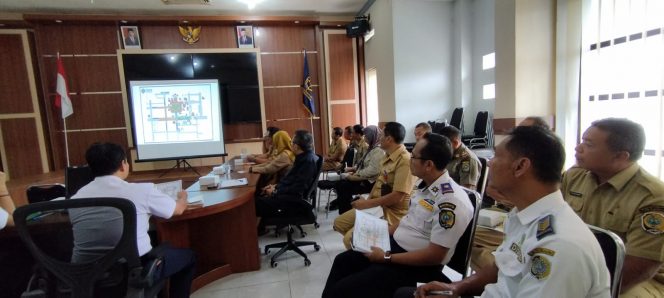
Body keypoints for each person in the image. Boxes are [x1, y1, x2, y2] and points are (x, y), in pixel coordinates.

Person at [411, 126, 610, 298]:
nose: (489, 162)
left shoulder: (560, 245)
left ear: (520, 166)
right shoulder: (522, 215)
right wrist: (456, 288)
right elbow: (502, 265)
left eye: (497, 156)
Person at [322, 133, 473, 298]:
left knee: (345, 290)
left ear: (428, 165)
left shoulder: (451, 202)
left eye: (414, 156)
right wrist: (371, 234)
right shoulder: (425, 188)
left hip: (415, 265)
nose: (410, 159)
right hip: (394, 247)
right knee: (343, 261)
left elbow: (435, 256)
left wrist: (386, 257)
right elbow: (407, 223)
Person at [69, 143, 195, 297]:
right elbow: (178, 209)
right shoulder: (141, 190)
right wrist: (183, 197)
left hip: (87, 276)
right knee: (188, 257)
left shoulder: (75, 199)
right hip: (133, 271)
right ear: (123, 165)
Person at [562, 118, 664, 297]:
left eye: (589, 144)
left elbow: (642, 265)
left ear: (620, 156)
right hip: (583, 263)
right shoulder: (574, 176)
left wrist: (592, 291)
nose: (578, 148)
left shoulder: (652, 196)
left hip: (637, 278)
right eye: (582, 140)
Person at [470, 116, 551, 270]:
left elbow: (532, 203)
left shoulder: (544, 165)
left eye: (523, 133)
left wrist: (508, 197)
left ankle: (500, 276)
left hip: (522, 216)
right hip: (505, 212)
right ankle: (497, 275)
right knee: (465, 234)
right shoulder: (513, 158)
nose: (490, 162)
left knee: (469, 238)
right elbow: (492, 191)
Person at [333, 122, 415, 249]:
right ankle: (365, 247)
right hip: (377, 205)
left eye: (381, 135)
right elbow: (378, 183)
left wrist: (368, 204)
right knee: (339, 223)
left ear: (389, 139)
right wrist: (368, 200)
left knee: (349, 239)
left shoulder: (405, 161)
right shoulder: (387, 156)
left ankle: (367, 250)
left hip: (391, 212)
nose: (379, 138)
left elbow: (398, 196)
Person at [255, 130, 319, 234]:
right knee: (259, 198)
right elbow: (290, 181)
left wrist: (275, 192)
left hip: (291, 202)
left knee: (253, 204)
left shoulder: (307, 162)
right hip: (287, 196)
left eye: (292, 142)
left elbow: (297, 189)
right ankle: (259, 229)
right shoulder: (303, 157)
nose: (290, 145)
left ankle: (253, 236)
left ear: (296, 146)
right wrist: (275, 186)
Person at [329, 125, 385, 214]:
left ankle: (346, 212)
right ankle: (346, 210)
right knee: (341, 184)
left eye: (367, 135)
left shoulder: (378, 151)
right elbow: (361, 164)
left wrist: (357, 175)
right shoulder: (371, 148)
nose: (365, 137)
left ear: (372, 136)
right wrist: (354, 172)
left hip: (370, 182)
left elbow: (372, 171)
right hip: (364, 177)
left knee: (343, 186)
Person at [439, 126, 481, 190]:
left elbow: (467, 190)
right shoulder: (449, 153)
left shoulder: (467, 159)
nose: (441, 148)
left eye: (443, 145)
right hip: (443, 190)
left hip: (455, 196)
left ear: (455, 143)